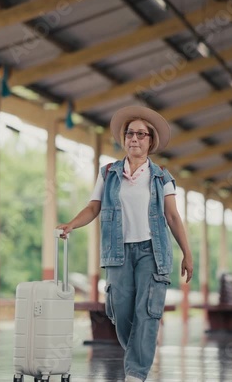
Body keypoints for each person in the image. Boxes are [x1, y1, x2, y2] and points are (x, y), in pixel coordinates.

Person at [57, 105, 193, 382]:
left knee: (147, 312)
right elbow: (93, 207)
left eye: (141, 134)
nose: (134, 138)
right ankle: (138, 356)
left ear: (150, 141)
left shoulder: (161, 176)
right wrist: (71, 223)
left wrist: (187, 254)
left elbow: (172, 216)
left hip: (152, 252)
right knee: (120, 310)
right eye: (130, 133)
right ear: (123, 139)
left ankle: (135, 374)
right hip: (117, 253)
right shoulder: (108, 173)